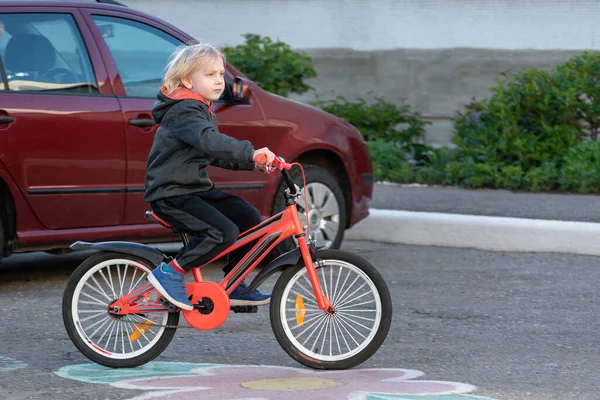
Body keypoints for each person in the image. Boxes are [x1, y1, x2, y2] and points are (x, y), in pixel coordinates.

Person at [144, 43, 276, 311]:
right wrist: (251, 153)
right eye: (210, 74)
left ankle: (233, 281)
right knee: (222, 232)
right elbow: (209, 141)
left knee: (248, 218)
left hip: (192, 189)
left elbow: (212, 154)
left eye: (220, 74)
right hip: (171, 194)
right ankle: (171, 272)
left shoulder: (200, 108)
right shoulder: (183, 110)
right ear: (187, 79)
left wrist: (252, 164)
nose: (219, 80)